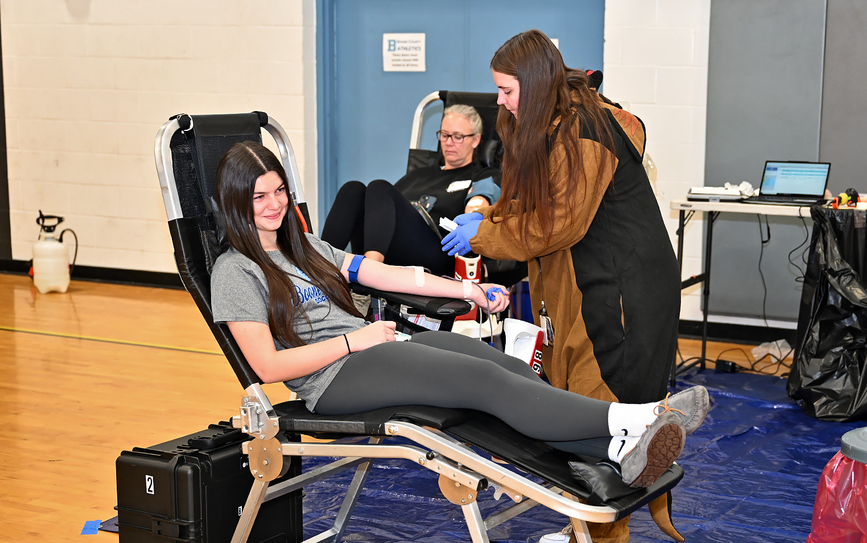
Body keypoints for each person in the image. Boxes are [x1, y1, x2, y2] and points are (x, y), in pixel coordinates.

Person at [208, 141, 702, 513]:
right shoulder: (235, 270)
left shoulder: (304, 246)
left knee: (500, 365)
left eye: (279, 192)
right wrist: (352, 340)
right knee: (481, 383)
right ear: (234, 201)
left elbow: (386, 273)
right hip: (330, 379)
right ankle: (633, 418)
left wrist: (465, 290)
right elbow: (268, 367)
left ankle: (614, 451)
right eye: (258, 197)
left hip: (369, 352)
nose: (273, 205)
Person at [441, 30, 708, 543]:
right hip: (573, 283)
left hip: (618, 290)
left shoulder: (586, 130)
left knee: (600, 405)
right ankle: (579, 515)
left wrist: (485, 235)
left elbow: (552, 223)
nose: (500, 102)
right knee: (564, 396)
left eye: (507, 91)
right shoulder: (546, 122)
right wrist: (489, 211)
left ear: (535, 86)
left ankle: (603, 541)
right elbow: (531, 196)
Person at [321, 105, 502, 277]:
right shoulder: (418, 174)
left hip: (441, 253)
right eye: (444, 135)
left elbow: (479, 203)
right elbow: (384, 210)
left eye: (457, 136)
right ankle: (318, 269)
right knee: (353, 189)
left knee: (379, 187)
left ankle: (370, 273)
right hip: (391, 247)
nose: (449, 142)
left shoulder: (482, 174)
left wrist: (473, 215)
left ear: (476, 140)